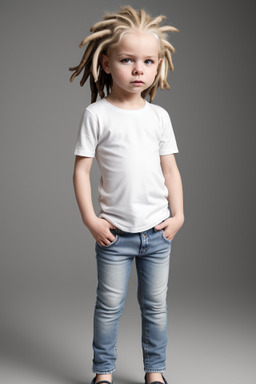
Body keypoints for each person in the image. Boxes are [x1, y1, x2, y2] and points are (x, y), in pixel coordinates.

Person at [70, 6, 184, 384]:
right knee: (109, 306)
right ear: (105, 64)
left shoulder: (158, 117)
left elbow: (170, 170)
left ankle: (155, 373)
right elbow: (82, 170)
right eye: (127, 60)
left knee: (155, 307)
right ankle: (103, 373)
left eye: (148, 61)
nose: (139, 69)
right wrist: (91, 219)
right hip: (114, 234)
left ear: (158, 66)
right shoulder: (96, 114)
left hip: (157, 232)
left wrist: (178, 215)